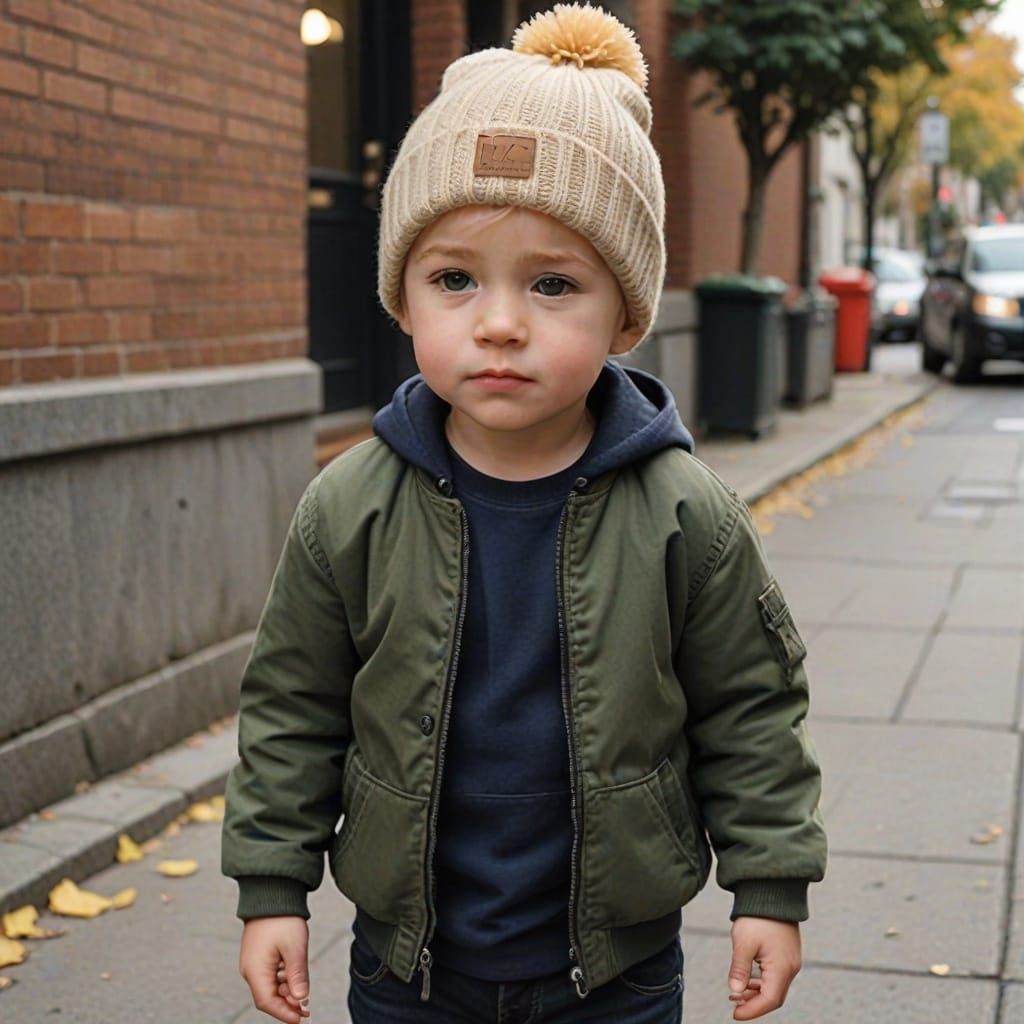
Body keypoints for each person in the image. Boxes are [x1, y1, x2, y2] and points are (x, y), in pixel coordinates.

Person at [221, 4, 827, 1022]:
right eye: (453, 278)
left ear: (625, 314)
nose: (498, 323)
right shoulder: (348, 507)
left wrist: (768, 887)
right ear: (403, 298)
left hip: (615, 969)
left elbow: (749, 710)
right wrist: (271, 887)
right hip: (406, 964)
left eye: (552, 283)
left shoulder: (687, 515)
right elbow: (293, 704)